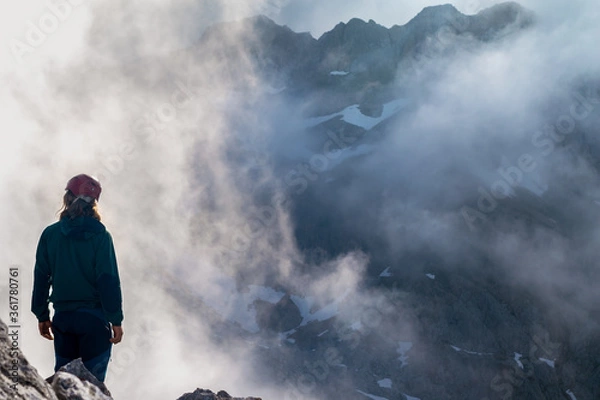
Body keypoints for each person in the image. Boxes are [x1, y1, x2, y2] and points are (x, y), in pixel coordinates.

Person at [31, 174, 124, 382]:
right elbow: (107, 280)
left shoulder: (50, 235)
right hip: (94, 322)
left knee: (64, 384)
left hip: (63, 321)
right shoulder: (101, 236)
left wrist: (42, 315)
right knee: (91, 389)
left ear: (67, 198)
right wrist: (115, 319)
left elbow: (41, 277)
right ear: (95, 204)